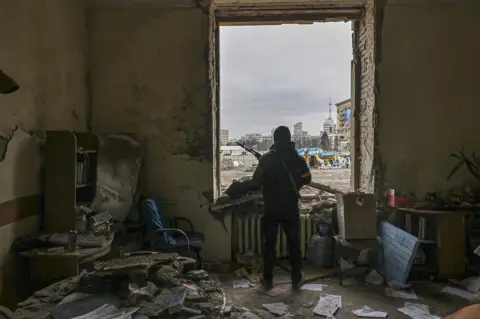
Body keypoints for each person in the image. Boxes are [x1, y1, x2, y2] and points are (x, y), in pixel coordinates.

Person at [231, 126, 311, 291]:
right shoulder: (299, 159)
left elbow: (255, 182)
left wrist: (241, 186)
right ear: (290, 139)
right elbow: (307, 179)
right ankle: (296, 278)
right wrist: (294, 183)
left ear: (275, 140)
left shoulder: (266, 159)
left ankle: (268, 279)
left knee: (269, 245)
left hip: (271, 208)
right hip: (290, 207)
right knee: (294, 244)